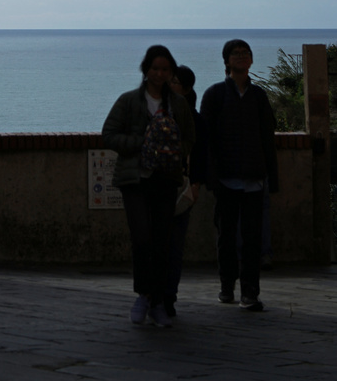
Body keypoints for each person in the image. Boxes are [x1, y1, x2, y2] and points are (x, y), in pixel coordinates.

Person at [101, 45, 195, 328]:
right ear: (146, 70)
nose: (160, 73)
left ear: (171, 72)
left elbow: (190, 138)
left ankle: (156, 302)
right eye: (155, 68)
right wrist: (141, 144)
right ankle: (143, 295)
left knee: (161, 241)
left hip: (165, 180)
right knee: (142, 238)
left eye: (165, 69)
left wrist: (173, 154)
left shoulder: (178, 104)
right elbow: (109, 134)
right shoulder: (129, 101)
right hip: (135, 180)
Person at [200, 38, 278, 312]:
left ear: (252, 60)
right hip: (226, 180)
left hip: (255, 180)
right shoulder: (215, 95)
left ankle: (250, 293)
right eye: (236, 53)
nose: (242, 57)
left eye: (246, 53)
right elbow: (205, 140)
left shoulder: (258, 96)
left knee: (253, 239)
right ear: (227, 61)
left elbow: (267, 137)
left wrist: (272, 176)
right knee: (227, 237)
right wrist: (210, 176)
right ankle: (226, 286)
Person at [164, 64, 208, 318]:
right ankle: (153, 295)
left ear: (187, 88)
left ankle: (168, 296)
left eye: (175, 82)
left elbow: (201, 155)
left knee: (175, 245)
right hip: (156, 186)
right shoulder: (156, 113)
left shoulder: (195, 120)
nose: (169, 86)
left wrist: (196, 183)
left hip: (181, 187)